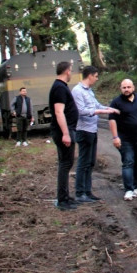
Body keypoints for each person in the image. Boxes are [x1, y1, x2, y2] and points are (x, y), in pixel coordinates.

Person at [72, 66, 119, 203]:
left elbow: (97, 105)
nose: (97, 79)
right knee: (83, 162)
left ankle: (88, 191)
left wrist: (110, 109)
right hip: (84, 130)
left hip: (92, 130)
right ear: (90, 76)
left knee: (91, 162)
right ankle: (80, 193)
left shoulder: (89, 91)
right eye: (96, 76)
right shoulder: (77, 91)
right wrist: (102, 112)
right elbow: (81, 111)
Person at [49, 61, 79, 211]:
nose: (71, 73)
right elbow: (59, 112)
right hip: (63, 132)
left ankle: (65, 196)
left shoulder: (60, 87)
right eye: (71, 70)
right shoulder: (59, 88)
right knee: (65, 164)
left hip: (65, 131)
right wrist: (66, 133)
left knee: (65, 164)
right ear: (67, 71)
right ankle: (62, 200)